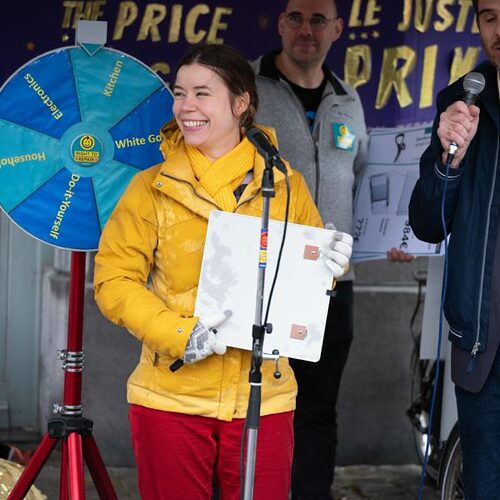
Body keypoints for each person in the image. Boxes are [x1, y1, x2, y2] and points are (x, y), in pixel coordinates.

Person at [93, 44, 354, 500]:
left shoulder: (285, 183)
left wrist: (329, 265)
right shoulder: (149, 188)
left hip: (264, 398)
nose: (185, 107)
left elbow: (307, 281)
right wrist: (179, 333)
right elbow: (113, 282)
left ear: (241, 103)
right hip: (171, 396)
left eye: (201, 93)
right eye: (179, 93)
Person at [253, 1, 414, 498]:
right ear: (280, 24)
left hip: (332, 285)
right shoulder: (248, 92)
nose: (306, 30)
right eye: (296, 18)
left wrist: (390, 239)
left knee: (318, 411)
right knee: (256, 408)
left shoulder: (349, 100)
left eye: (318, 20)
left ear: (337, 29)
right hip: (266, 281)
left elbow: (364, 185)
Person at [409, 0, 500, 497]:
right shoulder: (462, 104)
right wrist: (450, 164)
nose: (498, 29)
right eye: (489, 16)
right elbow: (428, 223)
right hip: (483, 346)